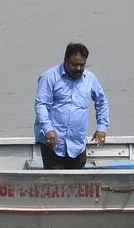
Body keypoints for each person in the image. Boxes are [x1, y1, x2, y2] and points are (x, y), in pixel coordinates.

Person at [34, 42, 110, 170]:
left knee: (77, 184)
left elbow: (102, 102)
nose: (79, 68)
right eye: (74, 64)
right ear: (65, 60)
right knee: (55, 184)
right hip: (53, 142)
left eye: (82, 65)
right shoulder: (50, 77)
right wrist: (48, 129)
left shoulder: (90, 79)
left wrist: (101, 127)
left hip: (77, 143)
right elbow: (41, 105)